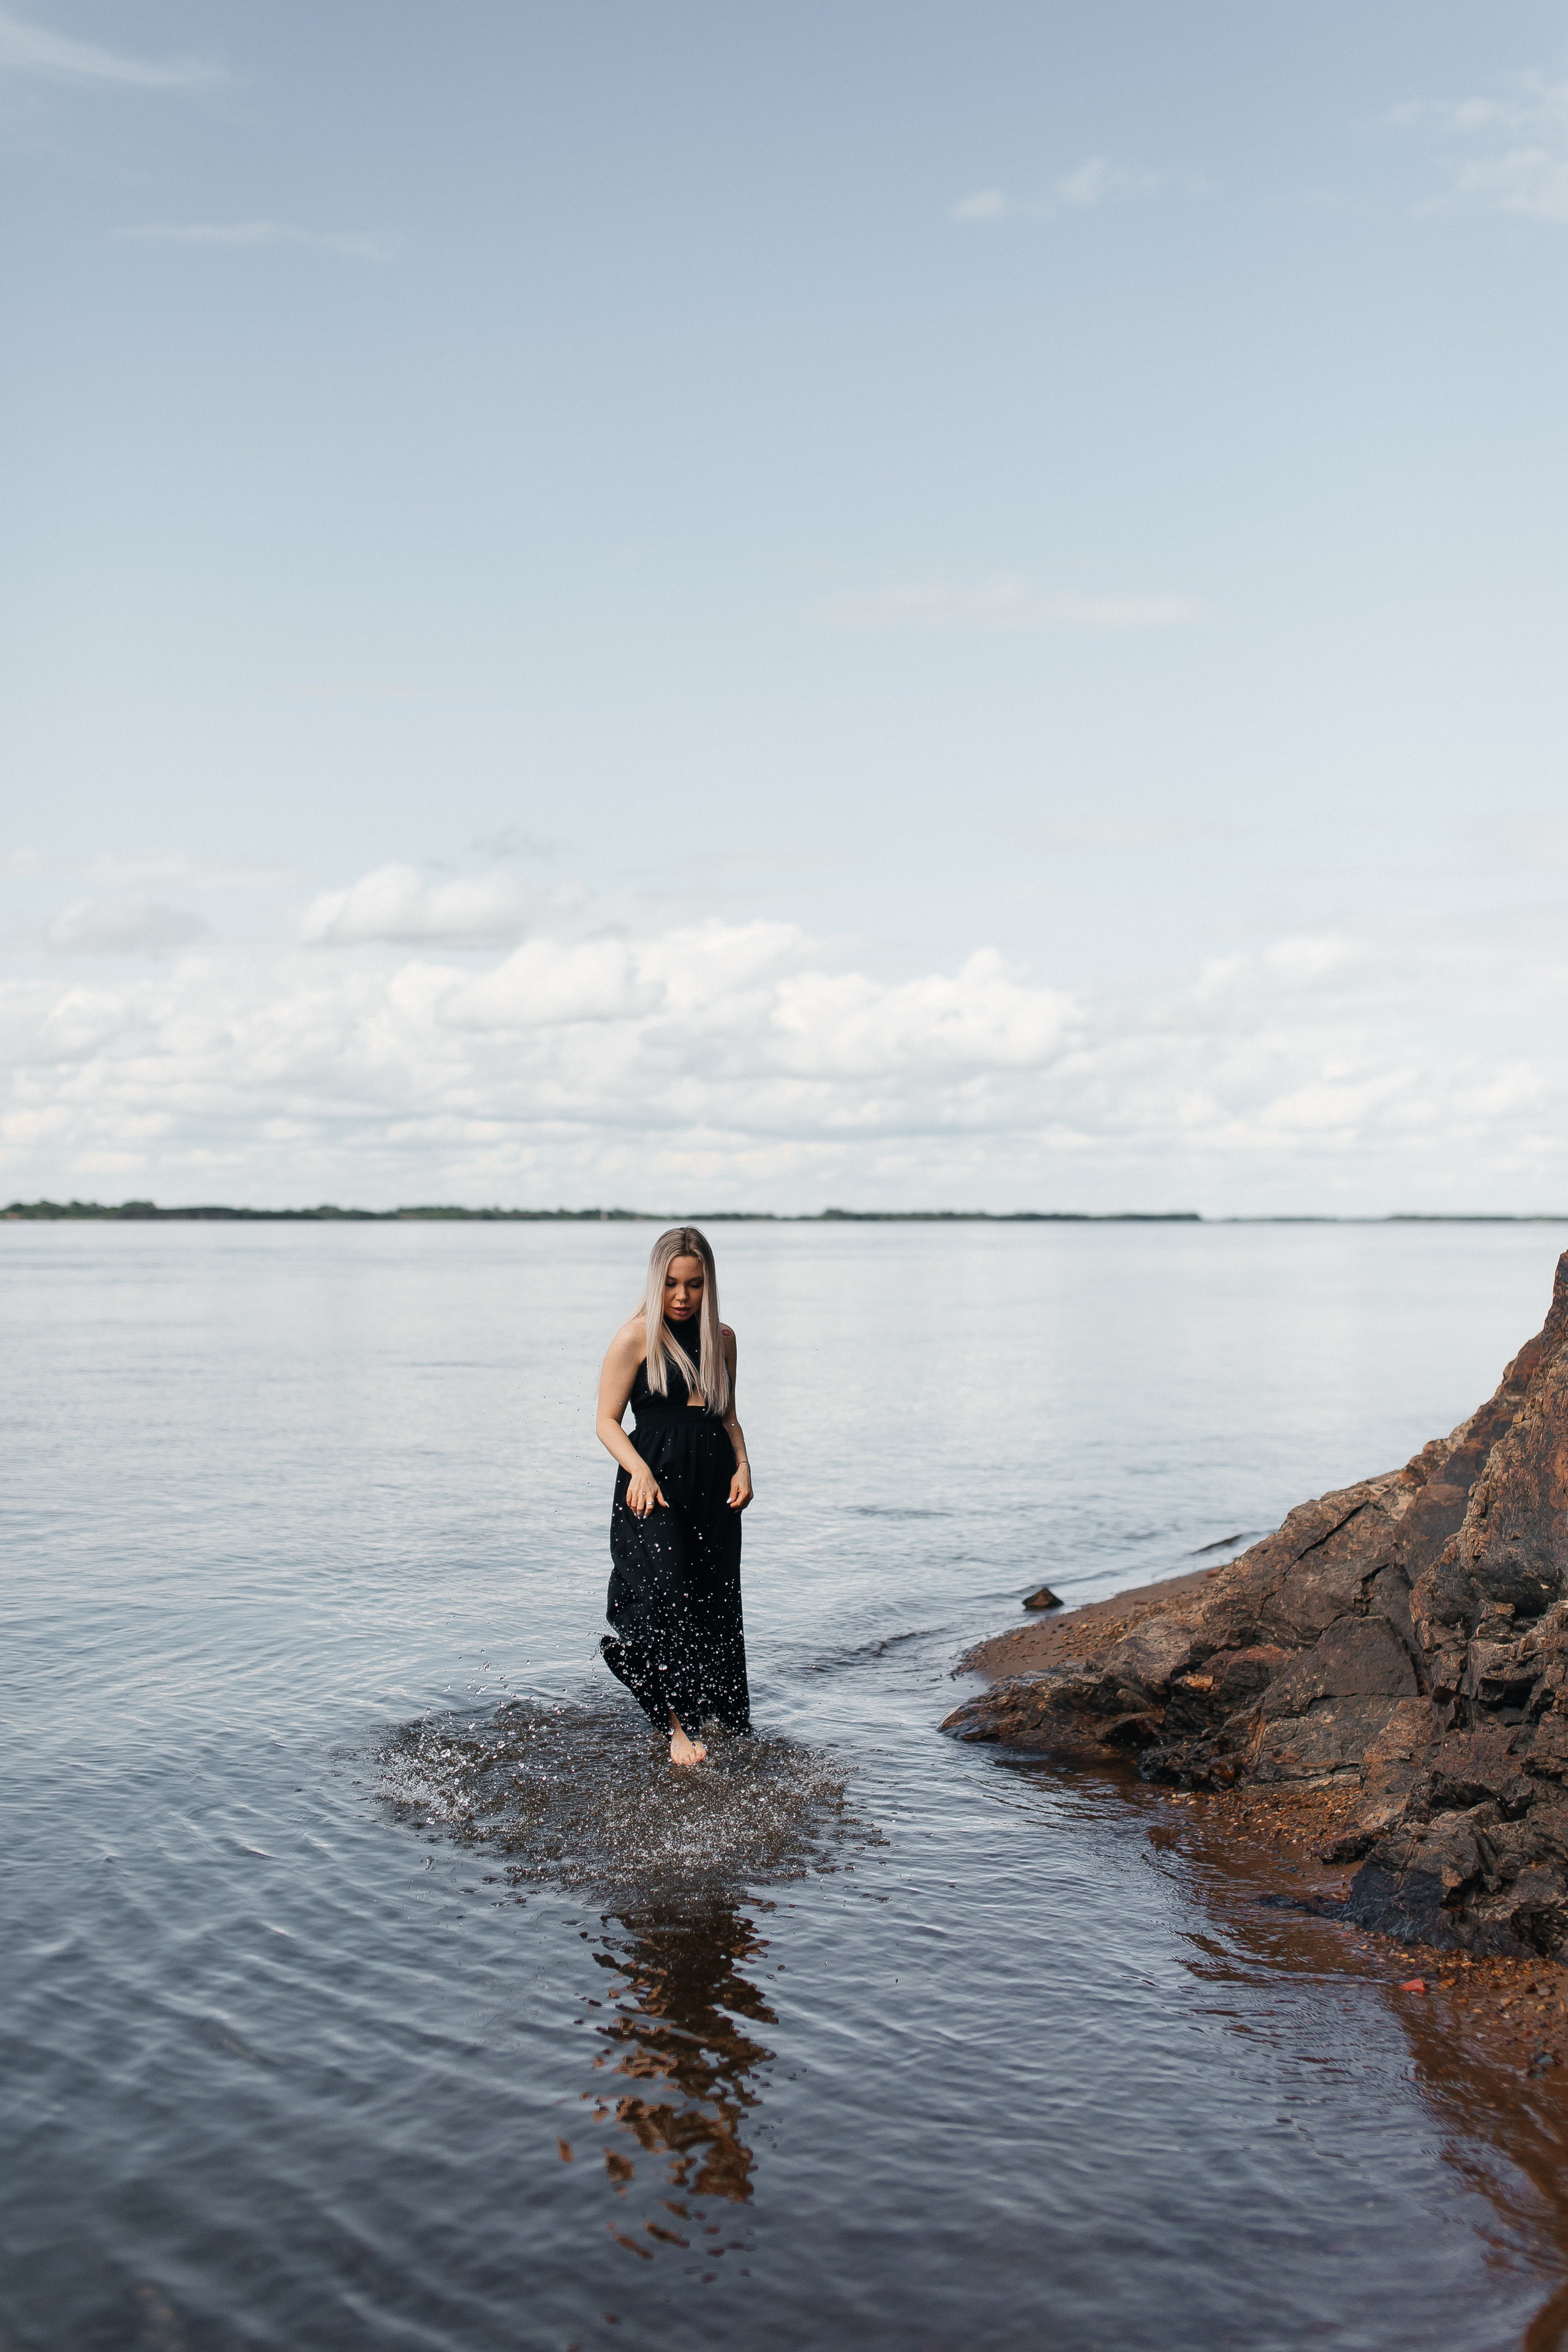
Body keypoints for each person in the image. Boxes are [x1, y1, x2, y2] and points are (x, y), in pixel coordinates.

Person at [595, 1226, 753, 1766]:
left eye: (694, 1285)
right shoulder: (635, 1337)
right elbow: (606, 1422)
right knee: (666, 1604)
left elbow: (727, 1415)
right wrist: (638, 1471)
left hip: (714, 1488)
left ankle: (723, 1717)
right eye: (670, 1284)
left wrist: (744, 1466)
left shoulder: (723, 1339)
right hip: (653, 1488)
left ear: (709, 1285)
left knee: (714, 1603)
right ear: (655, 1281)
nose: (682, 1296)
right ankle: (677, 1729)